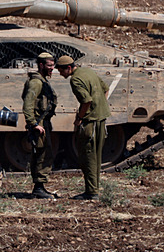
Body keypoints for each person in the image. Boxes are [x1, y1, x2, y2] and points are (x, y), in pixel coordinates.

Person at [56, 55, 111, 200]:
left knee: (88, 157)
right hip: (100, 119)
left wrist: (79, 118)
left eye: (61, 71)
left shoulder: (75, 80)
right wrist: (99, 107)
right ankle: (94, 188)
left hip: (90, 122)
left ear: (68, 68)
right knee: (96, 156)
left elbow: (86, 101)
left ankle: (92, 192)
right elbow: (106, 89)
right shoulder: (88, 72)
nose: (60, 74)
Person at [22, 52, 57, 199]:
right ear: (41, 65)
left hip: (43, 122)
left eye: (53, 65)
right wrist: (33, 123)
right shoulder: (36, 82)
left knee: (44, 153)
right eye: (49, 65)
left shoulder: (41, 80)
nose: (52, 68)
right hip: (39, 123)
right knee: (41, 155)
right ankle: (39, 187)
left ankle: (40, 186)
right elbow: (28, 104)